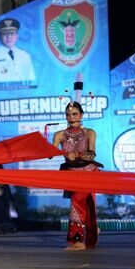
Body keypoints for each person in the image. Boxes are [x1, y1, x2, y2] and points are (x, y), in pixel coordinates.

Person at [52, 101, 101, 251]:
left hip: (88, 173)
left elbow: (92, 153)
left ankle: (78, 240)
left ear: (81, 115)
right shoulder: (59, 135)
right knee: (84, 204)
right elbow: (51, 154)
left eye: (74, 114)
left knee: (77, 201)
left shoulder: (89, 132)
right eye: (68, 114)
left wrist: (78, 155)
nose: (71, 117)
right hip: (71, 175)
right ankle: (92, 230)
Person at [0, 18, 36, 84]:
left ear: (17, 36)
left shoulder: (25, 55)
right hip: (1, 94)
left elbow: (32, 81)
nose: (8, 37)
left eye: (12, 33)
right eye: (4, 34)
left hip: (24, 93)